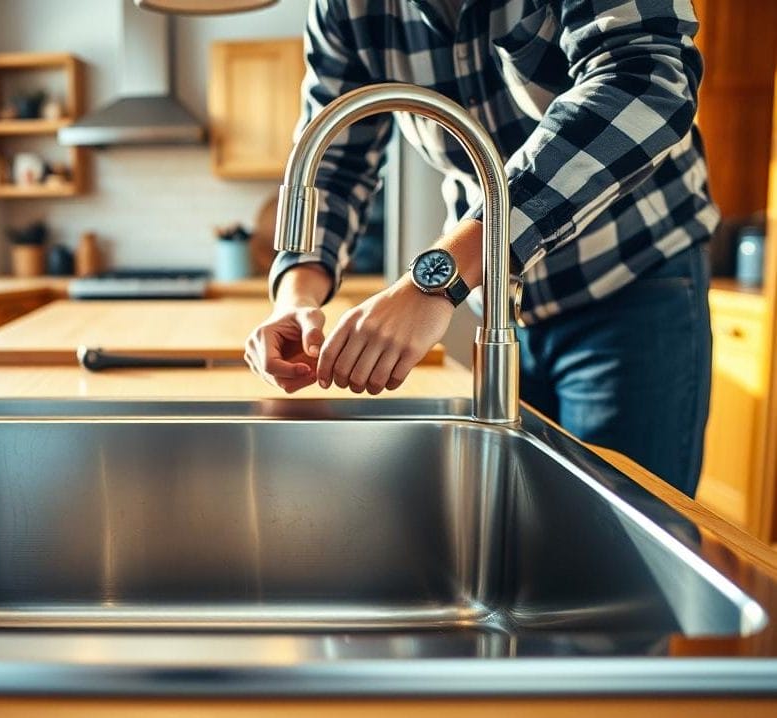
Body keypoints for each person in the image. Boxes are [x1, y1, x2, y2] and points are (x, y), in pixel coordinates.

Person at [244, 0, 718, 495]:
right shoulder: (345, 8)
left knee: (622, 547)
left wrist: (436, 280)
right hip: (501, 308)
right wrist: (296, 298)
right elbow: (335, 164)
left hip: (631, 281)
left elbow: (643, 80)